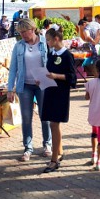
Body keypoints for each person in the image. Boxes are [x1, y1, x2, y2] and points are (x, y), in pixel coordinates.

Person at [7, 19, 52, 162]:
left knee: (45, 116)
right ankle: (28, 148)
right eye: (20, 33)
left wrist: (49, 76)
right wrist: (10, 88)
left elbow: (52, 62)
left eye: (24, 32)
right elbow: (13, 68)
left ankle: (47, 144)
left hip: (42, 84)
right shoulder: (18, 46)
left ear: (32, 29)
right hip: (24, 85)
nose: (23, 35)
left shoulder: (45, 42)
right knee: (26, 118)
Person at [42, 28, 77, 173]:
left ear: (56, 39)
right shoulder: (52, 53)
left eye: (49, 40)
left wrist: (56, 76)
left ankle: (54, 160)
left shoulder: (67, 55)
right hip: (50, 91)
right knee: (52, 124)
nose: (47, 43)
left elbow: (72, 78)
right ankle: (60, 151)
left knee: (54, 124)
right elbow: (48, 71)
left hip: (60, 93)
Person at [84, 58, 100, 171]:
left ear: (96, 70)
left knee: (94, 133)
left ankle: (93, 155)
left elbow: (86, 97)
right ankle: (99, 161)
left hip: (93, 112)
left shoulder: (90, 83)